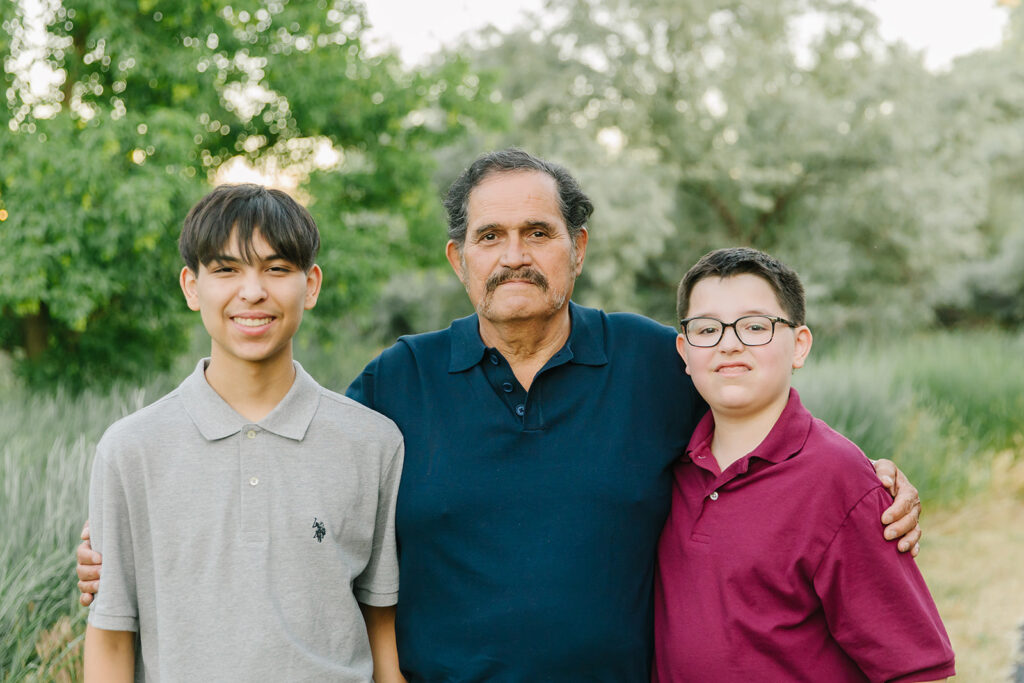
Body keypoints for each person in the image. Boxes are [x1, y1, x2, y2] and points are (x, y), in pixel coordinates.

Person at [79, 150, 922, 681]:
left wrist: (870, 478)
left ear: (577, 248)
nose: (514, 254)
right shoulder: (397, 384)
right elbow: (307, 472)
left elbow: (754, 400)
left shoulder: (650, 362)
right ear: (458, 258)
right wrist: (123, 554)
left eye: (537, 232)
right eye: (489, 237)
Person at [83, 184, 405, 682]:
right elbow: (110, 637)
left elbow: (381, 626)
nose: (252, 291)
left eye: (277, 269)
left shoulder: (374, 444)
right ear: (192, 287)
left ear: (311, 284)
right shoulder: (131, 449)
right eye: (226, 269)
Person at [655, 247, 955, 681]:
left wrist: (865, 485)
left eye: (755, 326)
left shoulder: (840, 479)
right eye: (707, 329)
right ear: (685, 352)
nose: (729, 343)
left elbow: (915, 669)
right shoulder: (668, 463)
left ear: (799, 345)